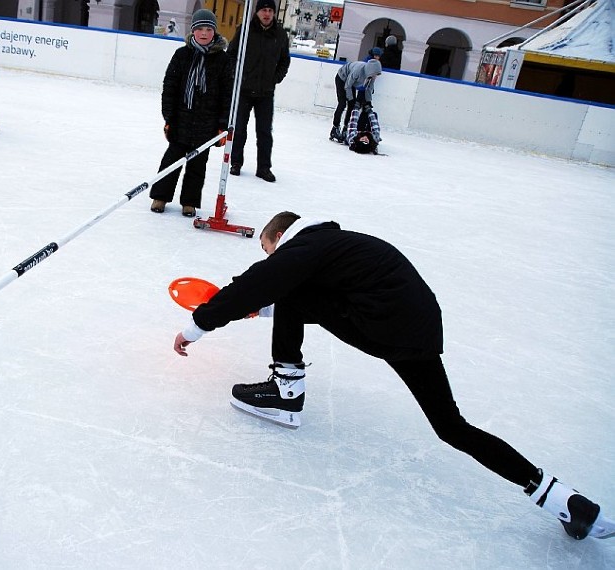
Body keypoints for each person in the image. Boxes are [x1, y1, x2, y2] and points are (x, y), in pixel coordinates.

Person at [172, 211, 613, 541]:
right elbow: (308, 296)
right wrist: (261, 306)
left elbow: (261, 284)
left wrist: (198, 326)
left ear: (279, 238)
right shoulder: (339, 246)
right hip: (416, 328)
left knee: (286, 292)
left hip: (381, 323)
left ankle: (287, 395)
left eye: (269, 250)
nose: (271, 257)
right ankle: (559, 497)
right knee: (451, 426)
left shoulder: (305, 248)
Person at [149, 9, 233, 217]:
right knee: (171, 160)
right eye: (199, 29)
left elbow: (227, 95)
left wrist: (222, 124)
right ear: (192, 31)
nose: (204, 33)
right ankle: (160, 196)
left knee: (198, 165)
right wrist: (169, 117)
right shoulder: (182, 55)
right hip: (181, 119)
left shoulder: (222, 60)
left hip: (207, 122)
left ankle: (189, 201)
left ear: (214, 32)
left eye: (208, 29)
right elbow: (170, 87)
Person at [226, 0, 290, 183]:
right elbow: (231, 54)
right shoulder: (245, 30)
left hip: (265, 92)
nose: (267, 14)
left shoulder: (280, 34)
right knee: (239, 130)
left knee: (264, 132)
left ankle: (264, 168)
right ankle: (236, 163)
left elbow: (285, 60)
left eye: (270, 10)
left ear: (274, 13)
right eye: (264, 10)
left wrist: (275, 78)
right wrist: (236, 75)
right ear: (257, 12)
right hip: (243, 90)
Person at [329, 59, 380, 143]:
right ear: (371, 70)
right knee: (342, 103)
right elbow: (347, 85)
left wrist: (368, 102)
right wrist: (351, 99)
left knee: (352, 106)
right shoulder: (358, 71)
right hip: (342, 78)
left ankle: (346, 129)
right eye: (375, 74)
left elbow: (369, 88)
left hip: (351, 83)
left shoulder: (371, 75)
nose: (376, 76)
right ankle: (335, 128)